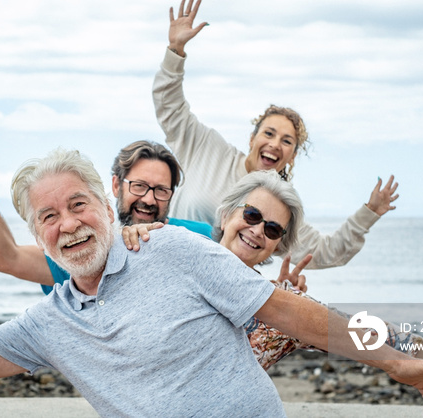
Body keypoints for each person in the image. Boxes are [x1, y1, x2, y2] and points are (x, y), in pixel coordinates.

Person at [0, 148, 423, 415]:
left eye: (79, 205)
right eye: (48, 217)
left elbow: (289, 312)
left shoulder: (172, 247)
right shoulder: (51, 319)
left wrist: (396, 360)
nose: (68, 225)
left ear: (107, 200)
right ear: (37, 230)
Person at [125, 170, 423, 372]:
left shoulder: (280, 311)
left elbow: (372, 333)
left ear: (277, 246)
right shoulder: (178, 250)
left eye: (273, 229)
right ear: (227, 215)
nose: (258, 230)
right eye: (253, 215)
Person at [153, 0, 399, 269]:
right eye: (268, 133)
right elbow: (170, 107)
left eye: (286, 141)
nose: (274, 144)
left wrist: (370, 212)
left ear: (292, 156)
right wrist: (175, 50)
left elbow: (326, 253)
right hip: (166, 265)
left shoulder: (278, 207)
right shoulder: (208, 148)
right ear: (252, 138)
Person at [0, 117, 210, 294]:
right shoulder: (83, 248)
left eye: (161, 190)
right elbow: (7, 258)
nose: (148, 199)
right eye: (139, 186)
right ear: (115, 186)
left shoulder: (201, 236)